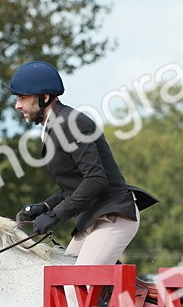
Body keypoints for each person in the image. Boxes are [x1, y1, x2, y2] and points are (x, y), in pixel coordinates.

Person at [8, 61, 156, 265]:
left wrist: (55, 215)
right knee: (60, 277)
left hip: (112, 217)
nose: (18, 105)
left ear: (44, 98)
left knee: (76, 282)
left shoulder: (71, 123)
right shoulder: (54, 127)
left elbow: (96, 179)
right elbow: (75, 185)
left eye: (23, 98)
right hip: (91, 219)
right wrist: (45, 206)